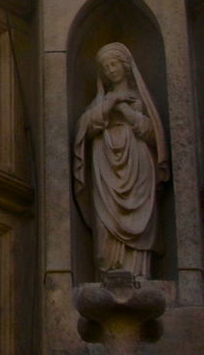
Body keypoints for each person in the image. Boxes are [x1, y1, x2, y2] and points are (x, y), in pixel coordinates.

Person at [72, 43, 168, 278]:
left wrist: (125, 110)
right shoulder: (100, 102)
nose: (110, 70)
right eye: (105, 67)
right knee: (105, 222)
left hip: (137, 159)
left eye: (114, 64)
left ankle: (138, 276)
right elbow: (84, 128)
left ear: (125, 67)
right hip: (104, 159)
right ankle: (108, 275)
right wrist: (110, 103)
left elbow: (153, 134)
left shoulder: (141, 100)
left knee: (139, 218)